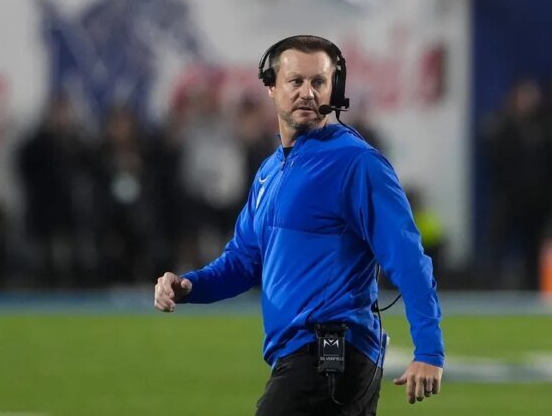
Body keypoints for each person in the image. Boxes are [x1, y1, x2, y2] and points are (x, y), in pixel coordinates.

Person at [154, 35, 444, 415]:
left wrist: (429, 350)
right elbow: (243, 261)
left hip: (329, 357)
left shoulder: (357, 163)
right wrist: (191, 286)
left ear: (334, 89)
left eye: (318, 82)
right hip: (308, 358)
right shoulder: (269, 171)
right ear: (271, 87)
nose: (307, 92)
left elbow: (407, 258)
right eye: (296, 81)